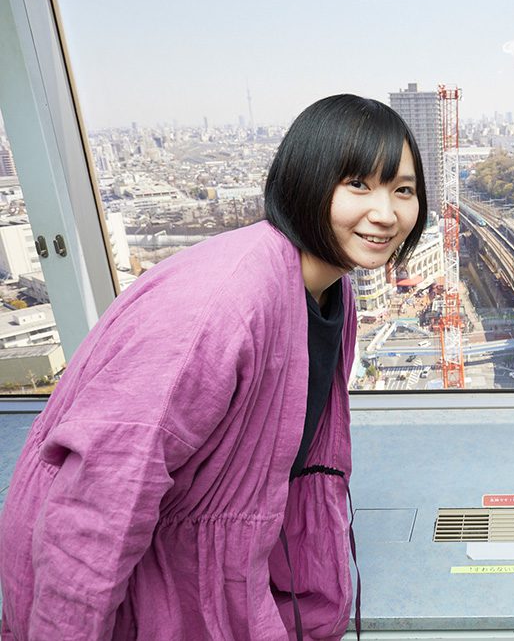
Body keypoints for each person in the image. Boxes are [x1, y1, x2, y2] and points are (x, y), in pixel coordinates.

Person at [0, 94, 427, 640]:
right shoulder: (221, 304)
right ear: (306, 181)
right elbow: (102, 497)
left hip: (199, 564)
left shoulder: (333, 293)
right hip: (123, 578)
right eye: (358, 185)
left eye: (404, 190)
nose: (386, 213)